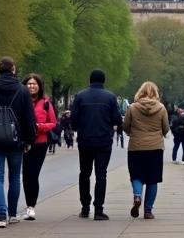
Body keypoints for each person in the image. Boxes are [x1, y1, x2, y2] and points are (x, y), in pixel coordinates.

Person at [0, 56, 36, 228]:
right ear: (13, 69)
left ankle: (1, 215)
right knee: (15, 177)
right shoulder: (22, 91)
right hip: (16, 141)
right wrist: (29, 139)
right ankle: (12, 213)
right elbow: (28, 119)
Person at [71, 68, 122, 220]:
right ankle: (98, 209)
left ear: (90, 80)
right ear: (103, 80)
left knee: (84, 173)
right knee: (101, 174)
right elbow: (117, 119)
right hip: (103, 141)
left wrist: (77, 128)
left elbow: (73, 118)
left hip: (85, 140)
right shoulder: (110, 97)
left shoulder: (80, 96)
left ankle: (85, 206)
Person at [123, 81, 168, 219]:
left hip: (136, 146)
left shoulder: (132, 108)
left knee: (136, 175)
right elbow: (165, 128)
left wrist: (133, 133)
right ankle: (148, 211)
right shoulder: (161, 108)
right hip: (155, 147)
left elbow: (125, 126)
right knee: (152, 179)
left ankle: (137, 196)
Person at [22, 73, 56, 221]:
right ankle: (27, 205)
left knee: (33, 175)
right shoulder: (21, 101)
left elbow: (53, 122)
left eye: (34, 84)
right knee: (25, 175)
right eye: (29, 84)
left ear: (39, 86)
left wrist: (39, 127)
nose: (31, 86)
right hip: (23, 143)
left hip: (39, 143)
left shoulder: (46, 103)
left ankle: (31, 207)